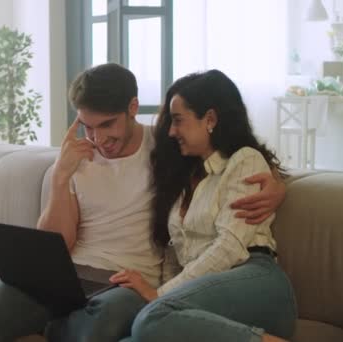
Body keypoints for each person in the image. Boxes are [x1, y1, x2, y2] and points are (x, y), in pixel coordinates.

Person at [0, 64, 287, 342]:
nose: (98, 139)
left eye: (107, 124)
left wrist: (276, 184)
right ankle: (56, 320)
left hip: (123, 283)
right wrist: (60, 178)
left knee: (100, 331)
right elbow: (56, 243)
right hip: (66, 275)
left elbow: (229, 154)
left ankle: (53, 325)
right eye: (88, 127)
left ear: (133, 108)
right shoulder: (75, 159)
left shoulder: (167, 149)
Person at [109, 70, 297, 342]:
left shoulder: (244, 160)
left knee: (151, 319)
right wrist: (164, 293)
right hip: (204, 293)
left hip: (254, 279)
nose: (172, 131)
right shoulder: (185, 174)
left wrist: (160, 297)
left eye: (178, 121)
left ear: (210, 119)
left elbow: (230, 247)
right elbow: (176, 255)